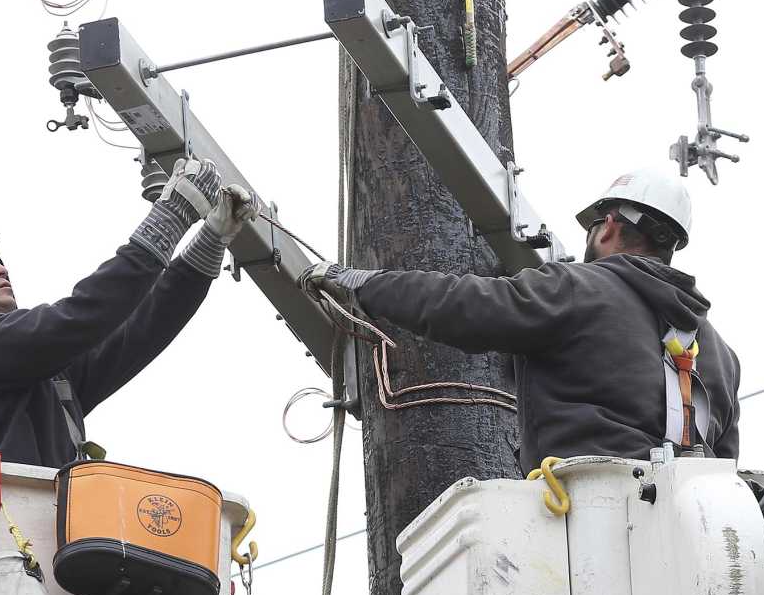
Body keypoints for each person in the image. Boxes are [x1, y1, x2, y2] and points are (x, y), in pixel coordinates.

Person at [300, 167, 739, 471]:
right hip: (690, 547)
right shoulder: (721, 356)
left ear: (607, 225)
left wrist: (362, 282)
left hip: (590, 515)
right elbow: (726, 464)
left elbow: (460, 304)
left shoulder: (576, 289)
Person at [0, 157, 254, 474]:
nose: (0, 269)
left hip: (44, 541)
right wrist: (172, 214)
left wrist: (209, 242)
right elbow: (83, 314)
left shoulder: (42, 377)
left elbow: (137, 332)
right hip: (8, 542)